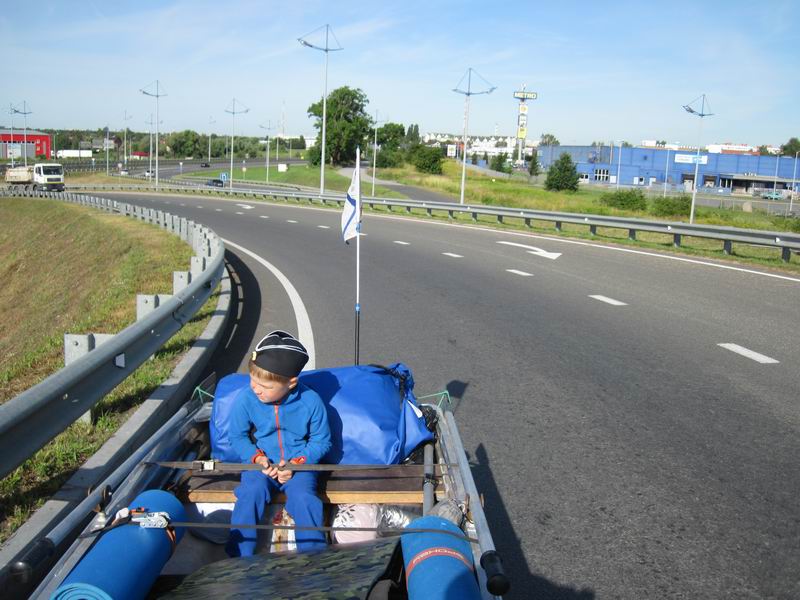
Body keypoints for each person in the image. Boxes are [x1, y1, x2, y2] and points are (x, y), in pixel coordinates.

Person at [225, 330, 331, 557]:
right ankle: (237, 558)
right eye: (253, 380)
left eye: (265, 386)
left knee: (304, 499)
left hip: (299, 466)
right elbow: (237, 436)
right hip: (261, 464)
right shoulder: (246, 398)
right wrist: (257, 458)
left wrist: (296, 463)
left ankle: (314, 559)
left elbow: (321, 441)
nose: (256, 388)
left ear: (291, 383)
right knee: (250, 493)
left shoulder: (311, 402)